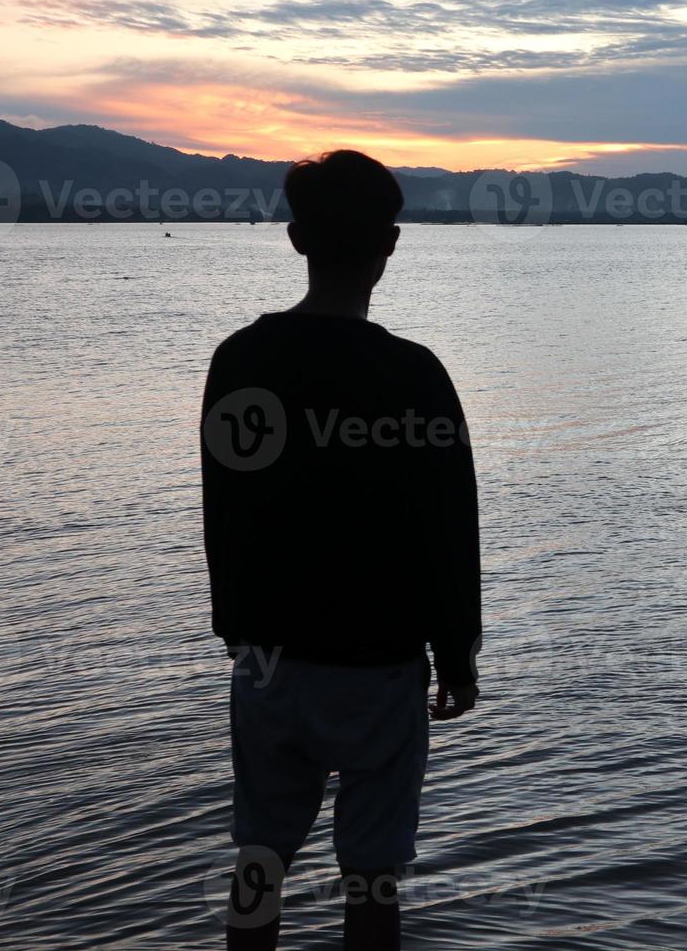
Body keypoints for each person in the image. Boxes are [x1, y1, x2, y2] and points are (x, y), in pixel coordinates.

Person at [199, 150, 482, 950]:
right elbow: (448, 527)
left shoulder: (241, 361)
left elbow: (226, 508)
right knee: (373, 876)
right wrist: (456, 655)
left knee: (259, 855)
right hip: (381, 665)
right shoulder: (416, 376)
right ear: (388, 244)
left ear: (296, 240)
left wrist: (241, 634)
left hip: (270, 663)